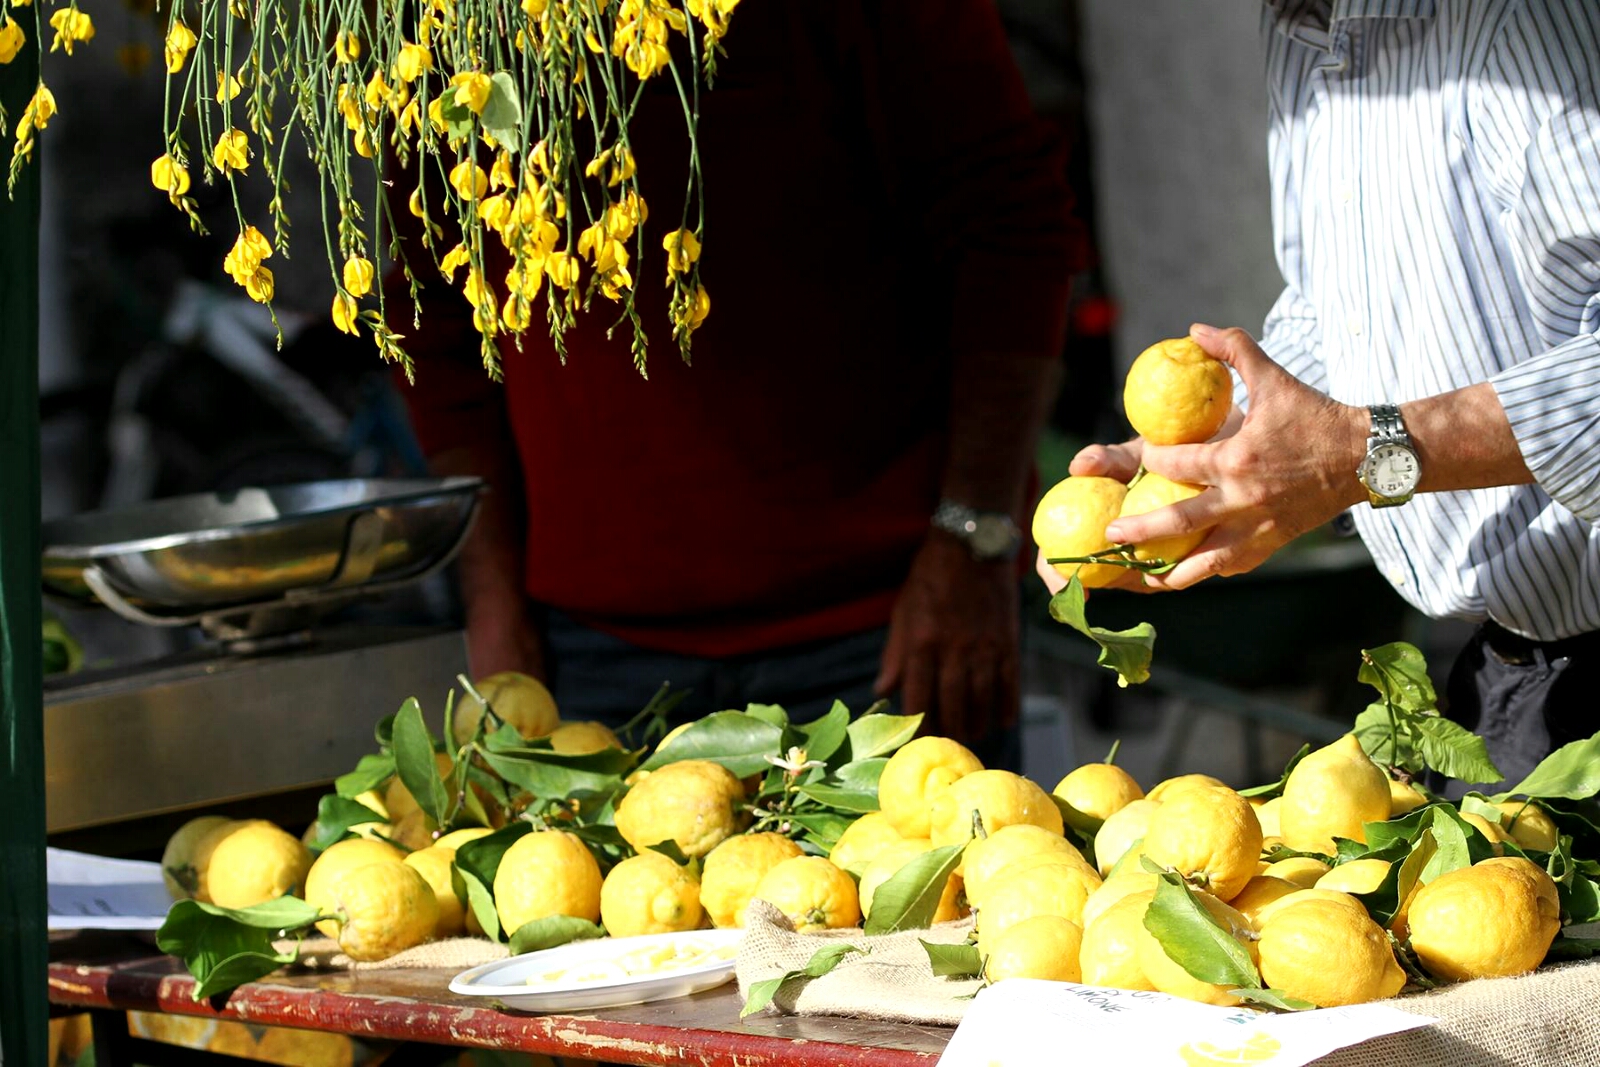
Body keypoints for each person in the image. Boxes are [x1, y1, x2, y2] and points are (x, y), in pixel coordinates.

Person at [396, 1, 1082, 763]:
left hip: (886, 633)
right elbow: (432, 319)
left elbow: (1014, 235)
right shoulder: (453, 30)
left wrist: (973, 540)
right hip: (587, 652)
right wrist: (492, 600)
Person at [1049, 1, 1600, 791]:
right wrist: (1223, 451)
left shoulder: (1529, 25)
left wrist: (1364, 452)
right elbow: (1335, 310)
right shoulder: (1300, 27)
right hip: (1509, 672)